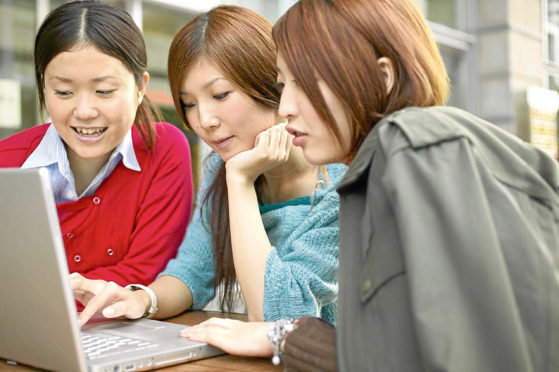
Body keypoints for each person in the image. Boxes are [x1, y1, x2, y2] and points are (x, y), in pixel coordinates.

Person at [179, 0, 559, 371]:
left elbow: (456, 354)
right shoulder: (385, 161)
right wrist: (286, 336)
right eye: (283, 85)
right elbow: (398, 347)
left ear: (382, 75)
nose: (286, 107)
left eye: (305, 83)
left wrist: (286, 334)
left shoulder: (412, 144)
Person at [71, 5, 344, 325]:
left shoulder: (343, 182)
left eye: (220, 94)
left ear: (271, 84)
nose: (204, 121)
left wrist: (240, 181)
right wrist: (139, 298)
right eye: (189, 104)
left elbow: (279, 317)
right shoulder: (223, 167)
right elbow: (192, 271)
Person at [0, 1, 193, 291]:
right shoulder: (8, 164)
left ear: (140, 88)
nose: (85, 111)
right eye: (64, 92)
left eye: (104, 91)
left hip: (122, 333)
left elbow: (146, 273)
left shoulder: (163, 150)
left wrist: (41, 296)